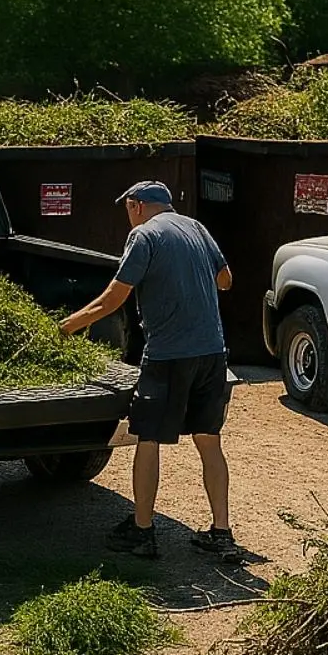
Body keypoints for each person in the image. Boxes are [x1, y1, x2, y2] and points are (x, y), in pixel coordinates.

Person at [60, 180, 235, 561]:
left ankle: (143, 530)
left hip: (168, 355)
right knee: (209, 440)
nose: (128, 216)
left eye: (127, 208)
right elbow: (226, 280)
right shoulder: (197, 228)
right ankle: (221, 532)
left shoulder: (144, 236)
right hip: (212, 353)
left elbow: (114, 298)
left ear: (137, 205)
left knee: (148, 438)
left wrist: (67, 327)